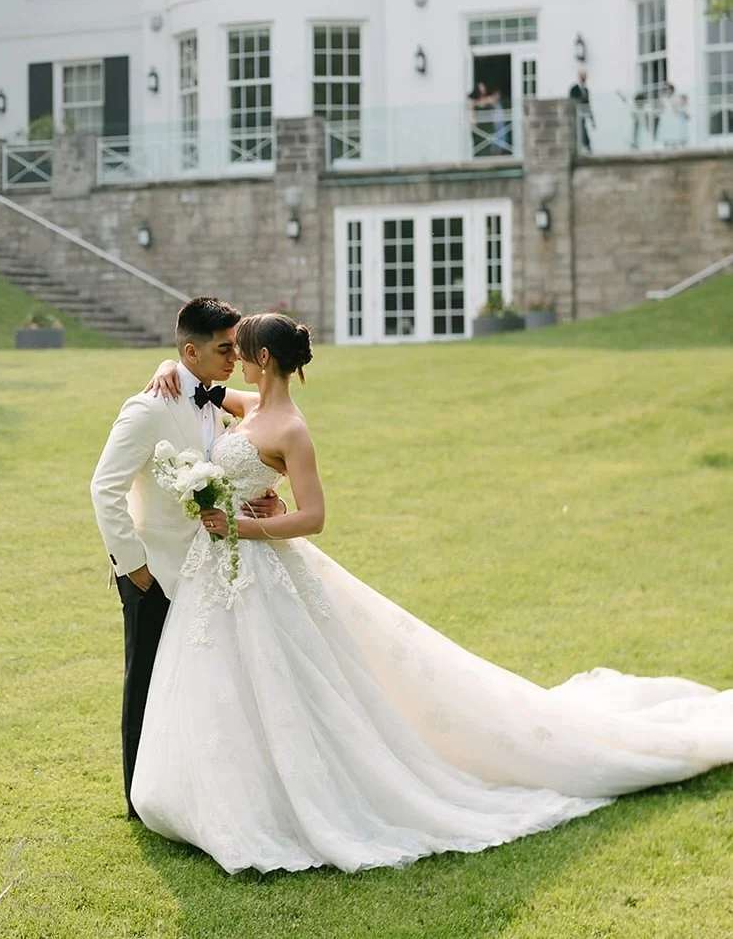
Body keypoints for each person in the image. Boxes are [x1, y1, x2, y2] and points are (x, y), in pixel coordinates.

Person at [125, 312, 733, 875]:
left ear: (261, 355)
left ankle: (287, 799)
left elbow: (313, 517)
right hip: (223, 570)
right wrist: (166, 369)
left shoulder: (290, 427)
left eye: (241, 350)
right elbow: (206, 392)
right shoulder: (253, 406)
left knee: (286, 680)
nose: (232, 358)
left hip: (252, 556)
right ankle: (215, 789)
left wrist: (247, 524)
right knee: (225, 680)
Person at [89, 298, 284, 820]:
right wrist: (134, 568)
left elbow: (221, 475)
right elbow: (104, 487)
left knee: (197, 685)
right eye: (224, 349)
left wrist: (261, 502)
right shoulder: (149, 408)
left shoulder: (216, 400)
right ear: (191, 352)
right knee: (146, 683)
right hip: (154, 572)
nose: (233, 357)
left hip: (206, 569)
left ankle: (188, 791)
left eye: (236, 347)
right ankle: (137, 800)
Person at [569, 69, 594, 153]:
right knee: (579, 130)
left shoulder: (586, 90)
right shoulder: (574, 89)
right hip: (575, 113)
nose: (584, 78)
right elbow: (571, 101)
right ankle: (583, 146)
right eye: (583, 76)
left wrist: (591, 118)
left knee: (583, 129)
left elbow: (587, 104)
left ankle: (586, 146)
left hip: (582, 113)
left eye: (585, 76)